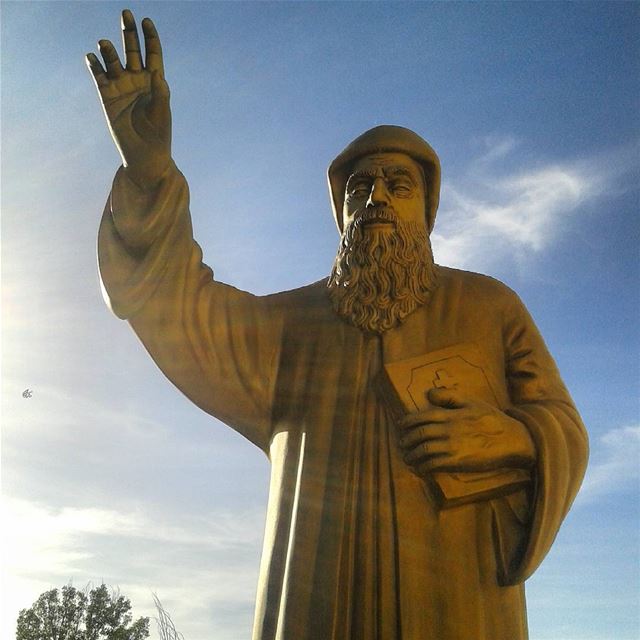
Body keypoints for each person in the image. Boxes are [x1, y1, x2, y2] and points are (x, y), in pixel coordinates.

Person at [88, 11, 588, 640]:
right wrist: (149, 171)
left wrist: (512, 438)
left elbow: (561, 423)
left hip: (459, 602)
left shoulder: (490, 308)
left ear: (426, 212)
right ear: (341, 212)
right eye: (360, 187)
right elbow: (171, 300)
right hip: (314, 599)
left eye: (397, 184)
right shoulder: (287, 328)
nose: (376, 196)